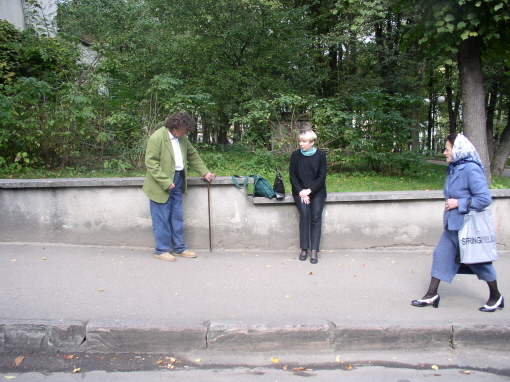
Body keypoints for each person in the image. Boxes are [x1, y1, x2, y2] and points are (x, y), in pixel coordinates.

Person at [412, 133, 503, 312]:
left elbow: (484, 199)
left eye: (447, 149)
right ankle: (431, 295)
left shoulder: (470, 168)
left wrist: (459, 203)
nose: (445, 152)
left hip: (467, 228)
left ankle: (496, 296)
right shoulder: (456, 167)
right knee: (441, 256)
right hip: (453, 226)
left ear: (458, 150)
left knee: (480, 263)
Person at [142, 112, 214, 262]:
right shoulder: (157, 137)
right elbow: (151, 163)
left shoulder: (182, 139)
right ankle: (161, 250)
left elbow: (192, 154)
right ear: (175, 127)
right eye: (184, 130)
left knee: (177, 216)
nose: (185, 133)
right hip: (161, 183)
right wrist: (165, 181)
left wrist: (204, 172)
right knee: (161, 218)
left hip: (178, 179)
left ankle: (179, 248)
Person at [289, 130, 327, 264]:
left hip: (317, 191)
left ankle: (314, 250)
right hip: (299, 191)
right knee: (305, 215)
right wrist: (301, 191)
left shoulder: (321, 155)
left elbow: (322, 176)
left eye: (304, 141)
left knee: (316, 217)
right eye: (300, 141)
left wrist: (309, 191)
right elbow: (292, 176)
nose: (301, 144)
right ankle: (304, 248)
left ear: (312, 142)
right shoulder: (295, 156)